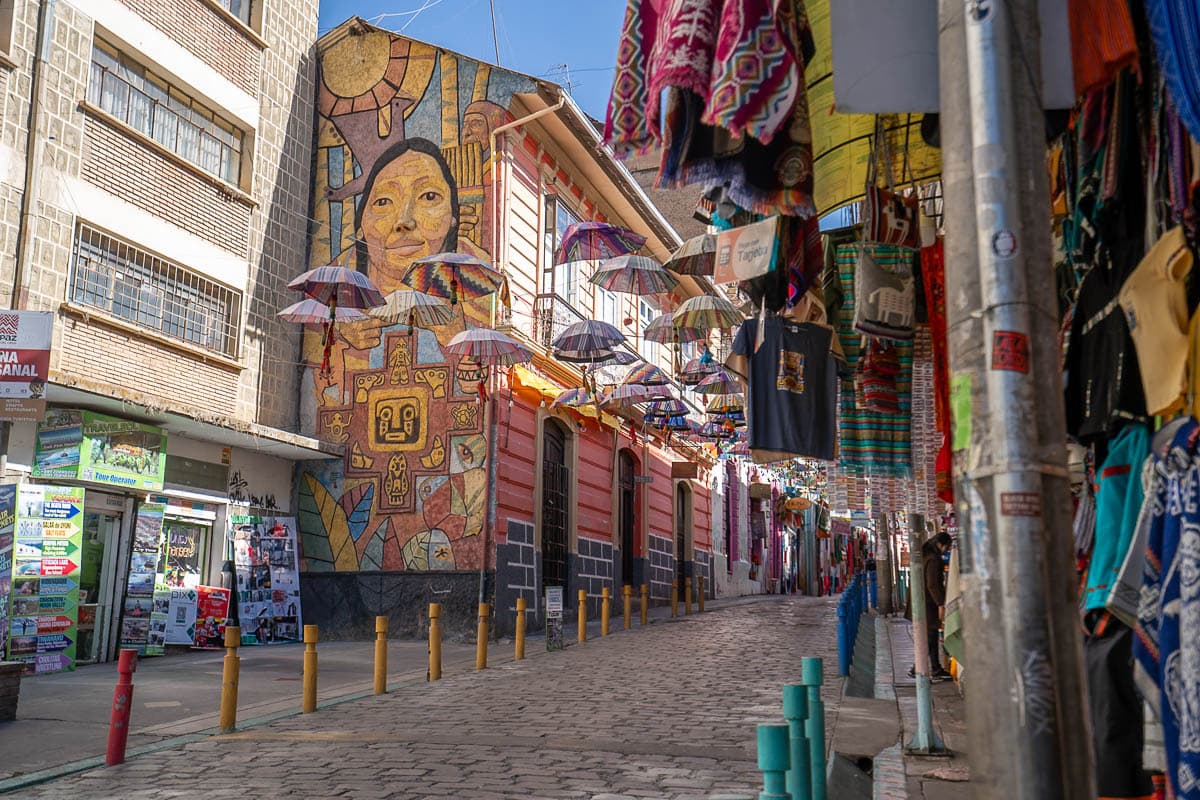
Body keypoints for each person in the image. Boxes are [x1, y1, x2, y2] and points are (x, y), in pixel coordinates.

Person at [909, 531, 952, 681]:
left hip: (921, 601)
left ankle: (935, 668)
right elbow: (933, 584)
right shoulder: (934, 559)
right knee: (928, 637)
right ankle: (917, 668)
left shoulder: (924, 555)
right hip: (927, 603)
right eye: (947, 547)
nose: (947, 550)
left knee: (931, 636)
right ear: (940, 545)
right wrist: (940, 603)